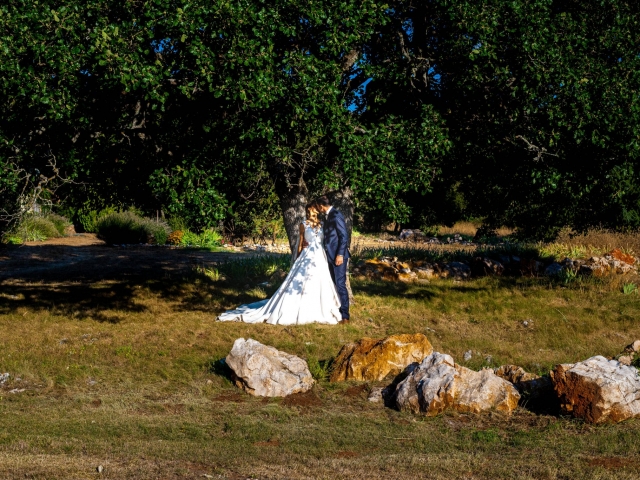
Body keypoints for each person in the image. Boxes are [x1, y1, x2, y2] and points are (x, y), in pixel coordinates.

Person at [217, 203, 341, 325]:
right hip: (306, 255)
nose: (310, 214)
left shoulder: (323, 225)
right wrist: (297, 259)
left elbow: (327, 240)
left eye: (312, 211)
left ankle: (319, 306)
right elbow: (301, 243)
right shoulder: (303, 225)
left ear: (317, 212)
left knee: (320, 280)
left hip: (319, 256)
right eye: (308, 212)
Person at [314, 195, 350, 324]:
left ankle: (345, 316)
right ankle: (337, 311)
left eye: (318, 207)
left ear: (321, 205)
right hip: (330, 255)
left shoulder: (336, 215)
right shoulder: (328, 216)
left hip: (338, 256)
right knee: (334, 284)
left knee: (340, 284)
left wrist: (340, 254)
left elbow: (343, 236)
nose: (318, 209)